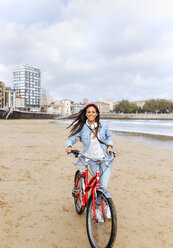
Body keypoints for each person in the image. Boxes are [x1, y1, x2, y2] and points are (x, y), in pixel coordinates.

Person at [66, 104, 114, 222]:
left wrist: (109, 146)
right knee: (97, 185)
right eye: (88, 112)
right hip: (90, 158)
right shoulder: (82, 127)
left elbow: (108, 137)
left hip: (105, 158)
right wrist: (69, 146)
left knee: (103, 186)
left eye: (93, 112)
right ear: (86, 114)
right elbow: (72, 138)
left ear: (97, 113)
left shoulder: (103, 125)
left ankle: (107, 206)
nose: (91, 114)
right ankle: (96, 210)